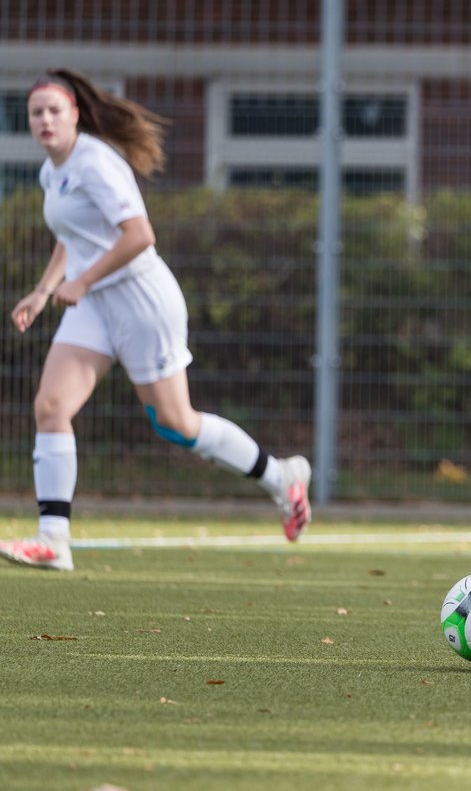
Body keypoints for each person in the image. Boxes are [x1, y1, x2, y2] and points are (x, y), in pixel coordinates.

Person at [2, 68, 312, 573]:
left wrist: (80, 282)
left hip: (142, 300)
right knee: (51, 405)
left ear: (75, 114)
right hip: (96, 306)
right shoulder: (50, 171)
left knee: (176, 424)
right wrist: (42, 291)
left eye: (54, 110)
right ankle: (53, 539)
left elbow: (140, 234)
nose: (44, 120)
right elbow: (71, 234)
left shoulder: (96, 163)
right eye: (36, 112)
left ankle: (281, 477)